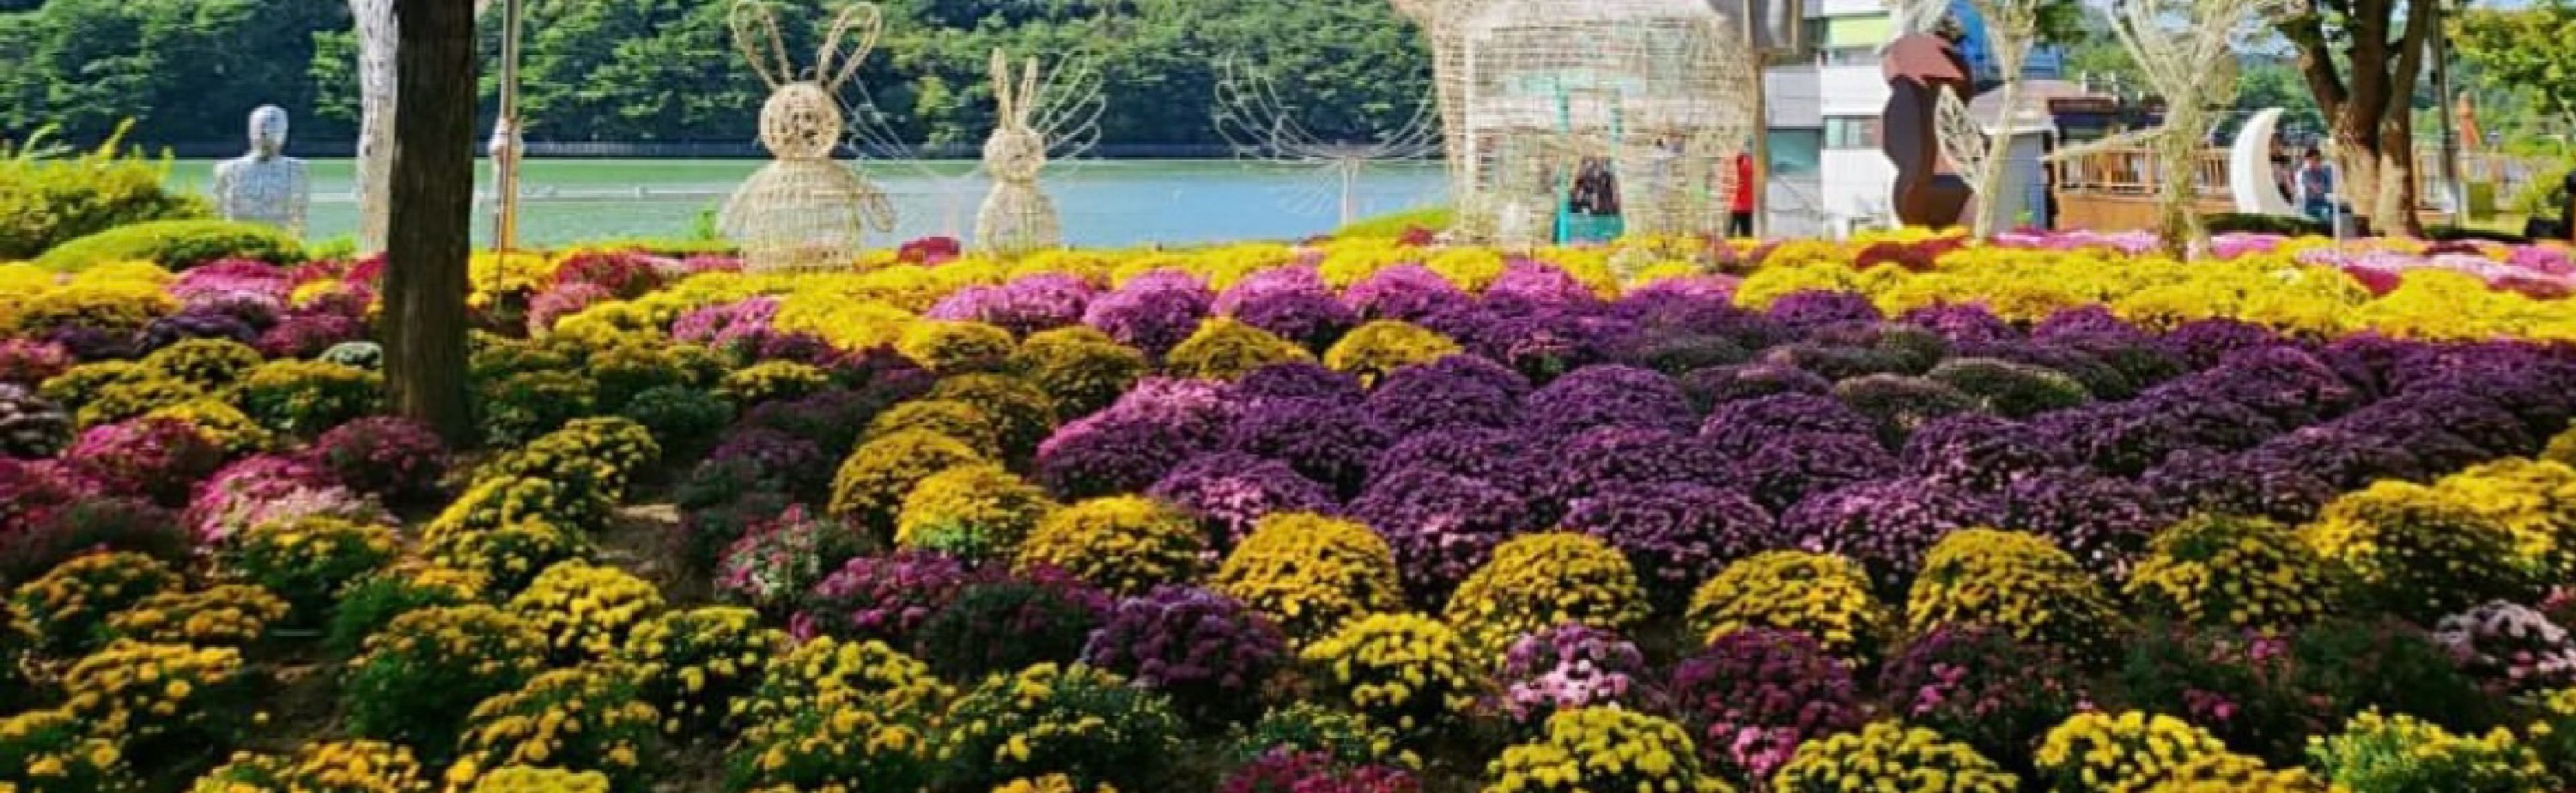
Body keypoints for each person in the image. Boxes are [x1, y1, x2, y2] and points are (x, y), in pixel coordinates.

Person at [2293, 148, 2334, 224]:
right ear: (2307, 160)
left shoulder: (2322, 172)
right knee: (2325, 213)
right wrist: (2319, 187)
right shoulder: (2302, 173)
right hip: (2306, 205)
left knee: (2339, 211)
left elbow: (2330, 189)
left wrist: (2325, 173)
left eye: (2319, 159)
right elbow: (2315, 188)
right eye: (2315, 159)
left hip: (2321, 203)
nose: (2318, 162)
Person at [1728, 151, 1756, 238]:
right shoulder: (1749, 163)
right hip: (1746, 206)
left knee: (1731, 234)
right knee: (1746, 234)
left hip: (1738, 206)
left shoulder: (1744, 164)